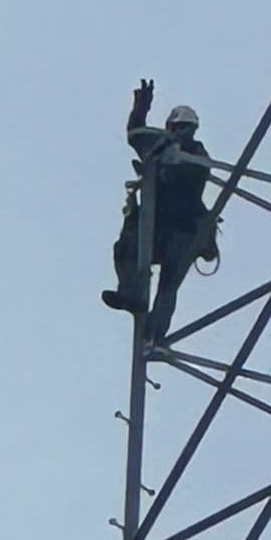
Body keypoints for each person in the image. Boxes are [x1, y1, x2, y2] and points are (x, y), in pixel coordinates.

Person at [102, 78, 216, 342]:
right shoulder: (158, 146)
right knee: (126, 248)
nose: (181, 133)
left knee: (169, 284)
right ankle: (131, 294)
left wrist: (166, 167)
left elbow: (190, 178)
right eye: (177, 128)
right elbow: (136, 134)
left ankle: (153, 335)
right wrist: (140, 109)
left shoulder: (196, 154)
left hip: (184, 229)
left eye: (186, 128)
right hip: (158, 226)